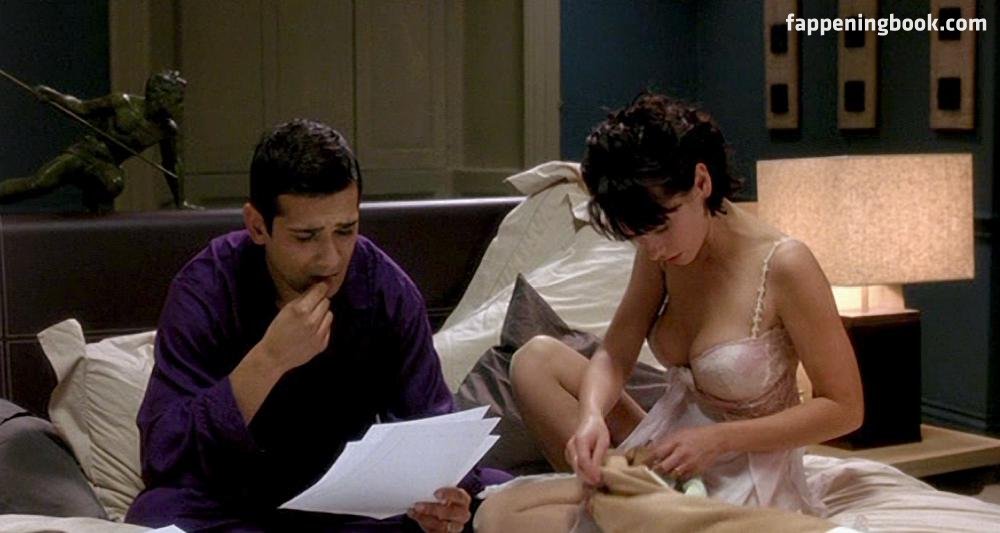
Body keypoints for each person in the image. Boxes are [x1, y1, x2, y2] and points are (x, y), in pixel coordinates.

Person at [475, 93, 864, 530]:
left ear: (701, 182)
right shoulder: (661, 251)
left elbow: (844, 408)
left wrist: (718, 440)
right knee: (499, 505)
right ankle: (625, 502)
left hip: (743, 475)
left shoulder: (785, 265)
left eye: (660, 227)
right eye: (638, 237)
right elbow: (616, 353)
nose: (654, 248)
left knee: (527, 522)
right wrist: (591, 417)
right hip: (664, 458)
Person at [126, 119, 508, 532]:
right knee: (154, 516)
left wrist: (445, 499)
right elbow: (164, 456)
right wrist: (269, 360)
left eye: (345, 231)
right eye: (306, 237)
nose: (330, 259)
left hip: (347, 507)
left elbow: (429, 426)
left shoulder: (385, 288)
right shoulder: (206, 288)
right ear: (257, 226)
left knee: (492, 500)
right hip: (231, 502)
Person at [0, 70, 187, 211]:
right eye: (177, 99)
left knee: (113, 185)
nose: (180, 105)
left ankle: (91, 205)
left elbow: (172, 164)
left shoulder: (167, 129)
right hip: (84, 152)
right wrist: (54, 96)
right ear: (159, 95)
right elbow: (82, 107)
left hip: (108, 164)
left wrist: (181, 202)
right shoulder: (122, 102)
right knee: (39, 184)